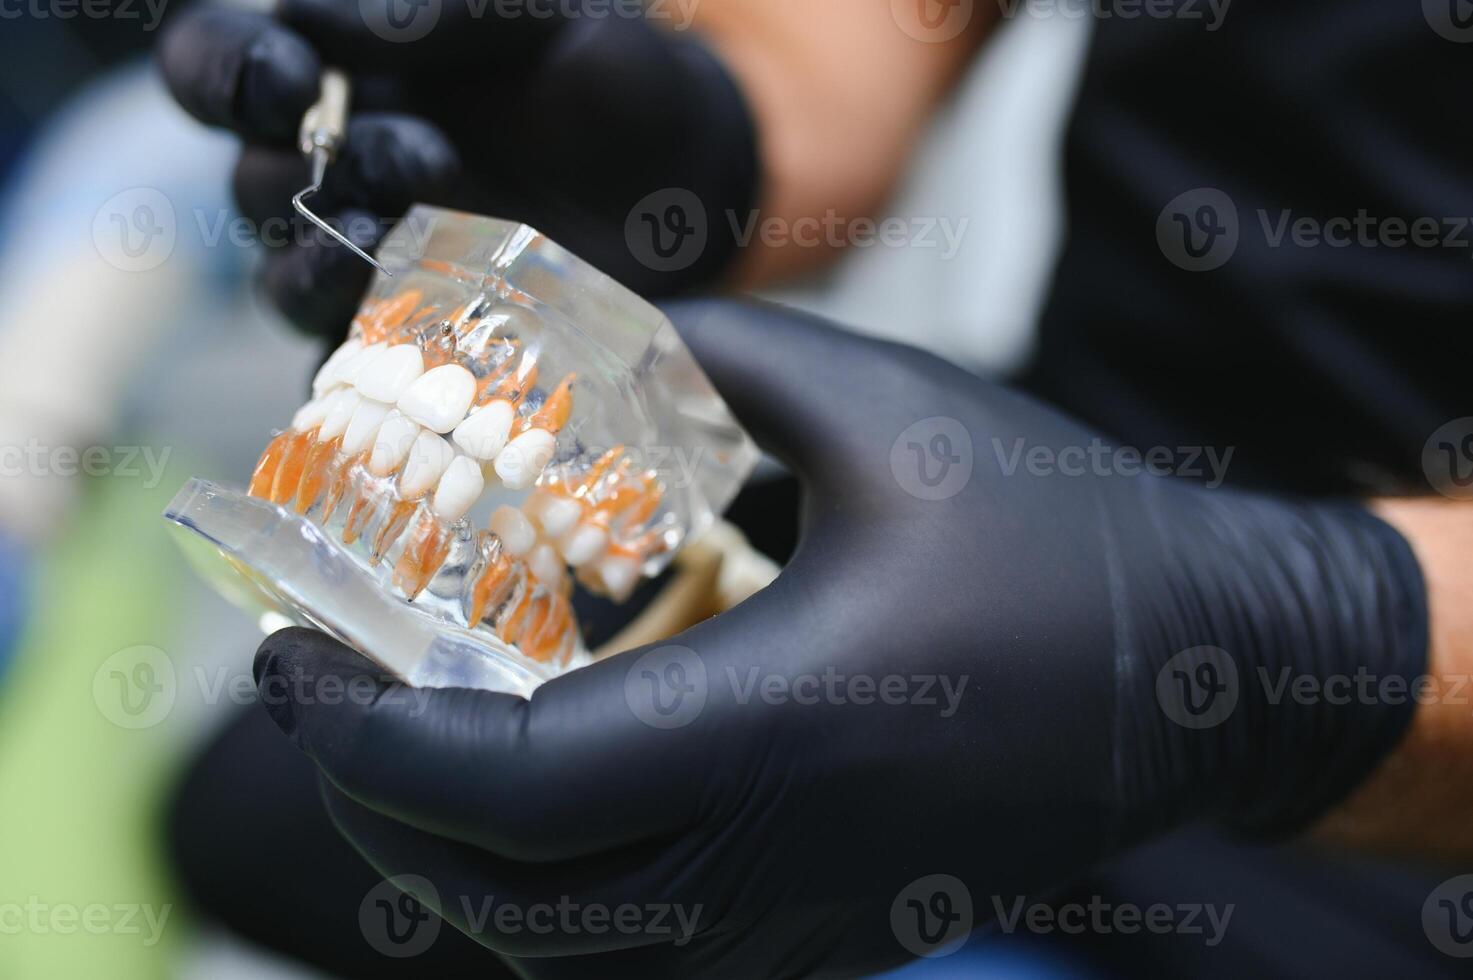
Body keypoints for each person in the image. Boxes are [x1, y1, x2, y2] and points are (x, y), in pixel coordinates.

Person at [158, 1, 1473, 976]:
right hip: (1023, 526)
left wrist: (1297, 649)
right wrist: (714, 141)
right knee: (264, 820)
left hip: (1398, 835)